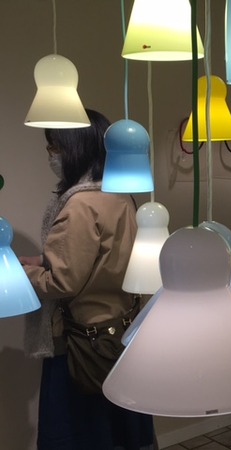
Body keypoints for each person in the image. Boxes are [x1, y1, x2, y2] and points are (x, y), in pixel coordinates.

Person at [19, 109, 155, 450]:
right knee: (121, 432)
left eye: (55, 147)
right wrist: (43, 260)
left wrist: (20, 274)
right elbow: (104, 258)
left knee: (81, 434)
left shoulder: (80, 205)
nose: (51, 156)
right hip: (117, 331)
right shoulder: (120, 195)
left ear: (75, 149)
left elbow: (61, 284)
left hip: (81, 343)